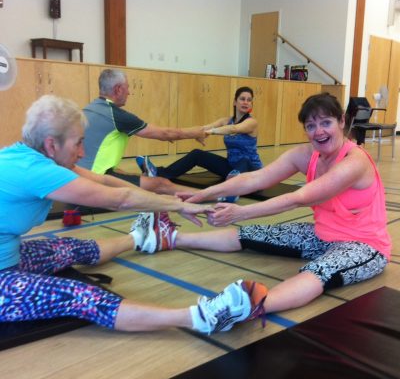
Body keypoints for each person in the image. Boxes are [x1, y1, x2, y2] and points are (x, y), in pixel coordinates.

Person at [0, 94, 266, 335]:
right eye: (78, 143)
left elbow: (104, 182)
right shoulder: (36, 171)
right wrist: (180, 206)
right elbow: (120, 200)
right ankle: (200, 318)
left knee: (70, 247)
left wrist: (167, 198)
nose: (82, 152)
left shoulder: (29, 157)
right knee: (82, 295)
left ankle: (142, 238)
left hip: (9, 258)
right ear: (51, 144)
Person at [133, 93, 391, 328]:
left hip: (364, 245)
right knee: (253, 234)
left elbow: (299, 198)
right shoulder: (306, 155)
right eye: (311, 126)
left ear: (341, 121)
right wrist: (200, 195)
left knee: (320, 271)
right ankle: (170, 237)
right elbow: (255, 178)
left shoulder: (354, 162)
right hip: (322, 235)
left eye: (325, 123)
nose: (318, 131)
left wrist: (240, 211)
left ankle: (247, 304)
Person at [77, 68, 207, 196]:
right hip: (95, 181)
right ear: (118, 89)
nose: (129, 92)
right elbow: (165, 134)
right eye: (127, 87)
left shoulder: (89, 109)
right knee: (161, 184)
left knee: (127, 174)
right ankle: (215, 196)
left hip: (80, 176)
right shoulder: (116, 115)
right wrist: (196, 133)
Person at [137, 86, 263, 182]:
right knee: (197, 154)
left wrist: (210, 132)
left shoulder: (252, 122)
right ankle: (159, 173)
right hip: (231, 167)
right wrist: (174, 134)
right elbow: (202, 128)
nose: (246, 102)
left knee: (244, 160)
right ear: (235, 102)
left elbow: (234, 129)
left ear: (251, 104)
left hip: (252, 170)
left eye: (249, 100)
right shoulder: (225, 120)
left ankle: (233, 187)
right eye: (242, 99)